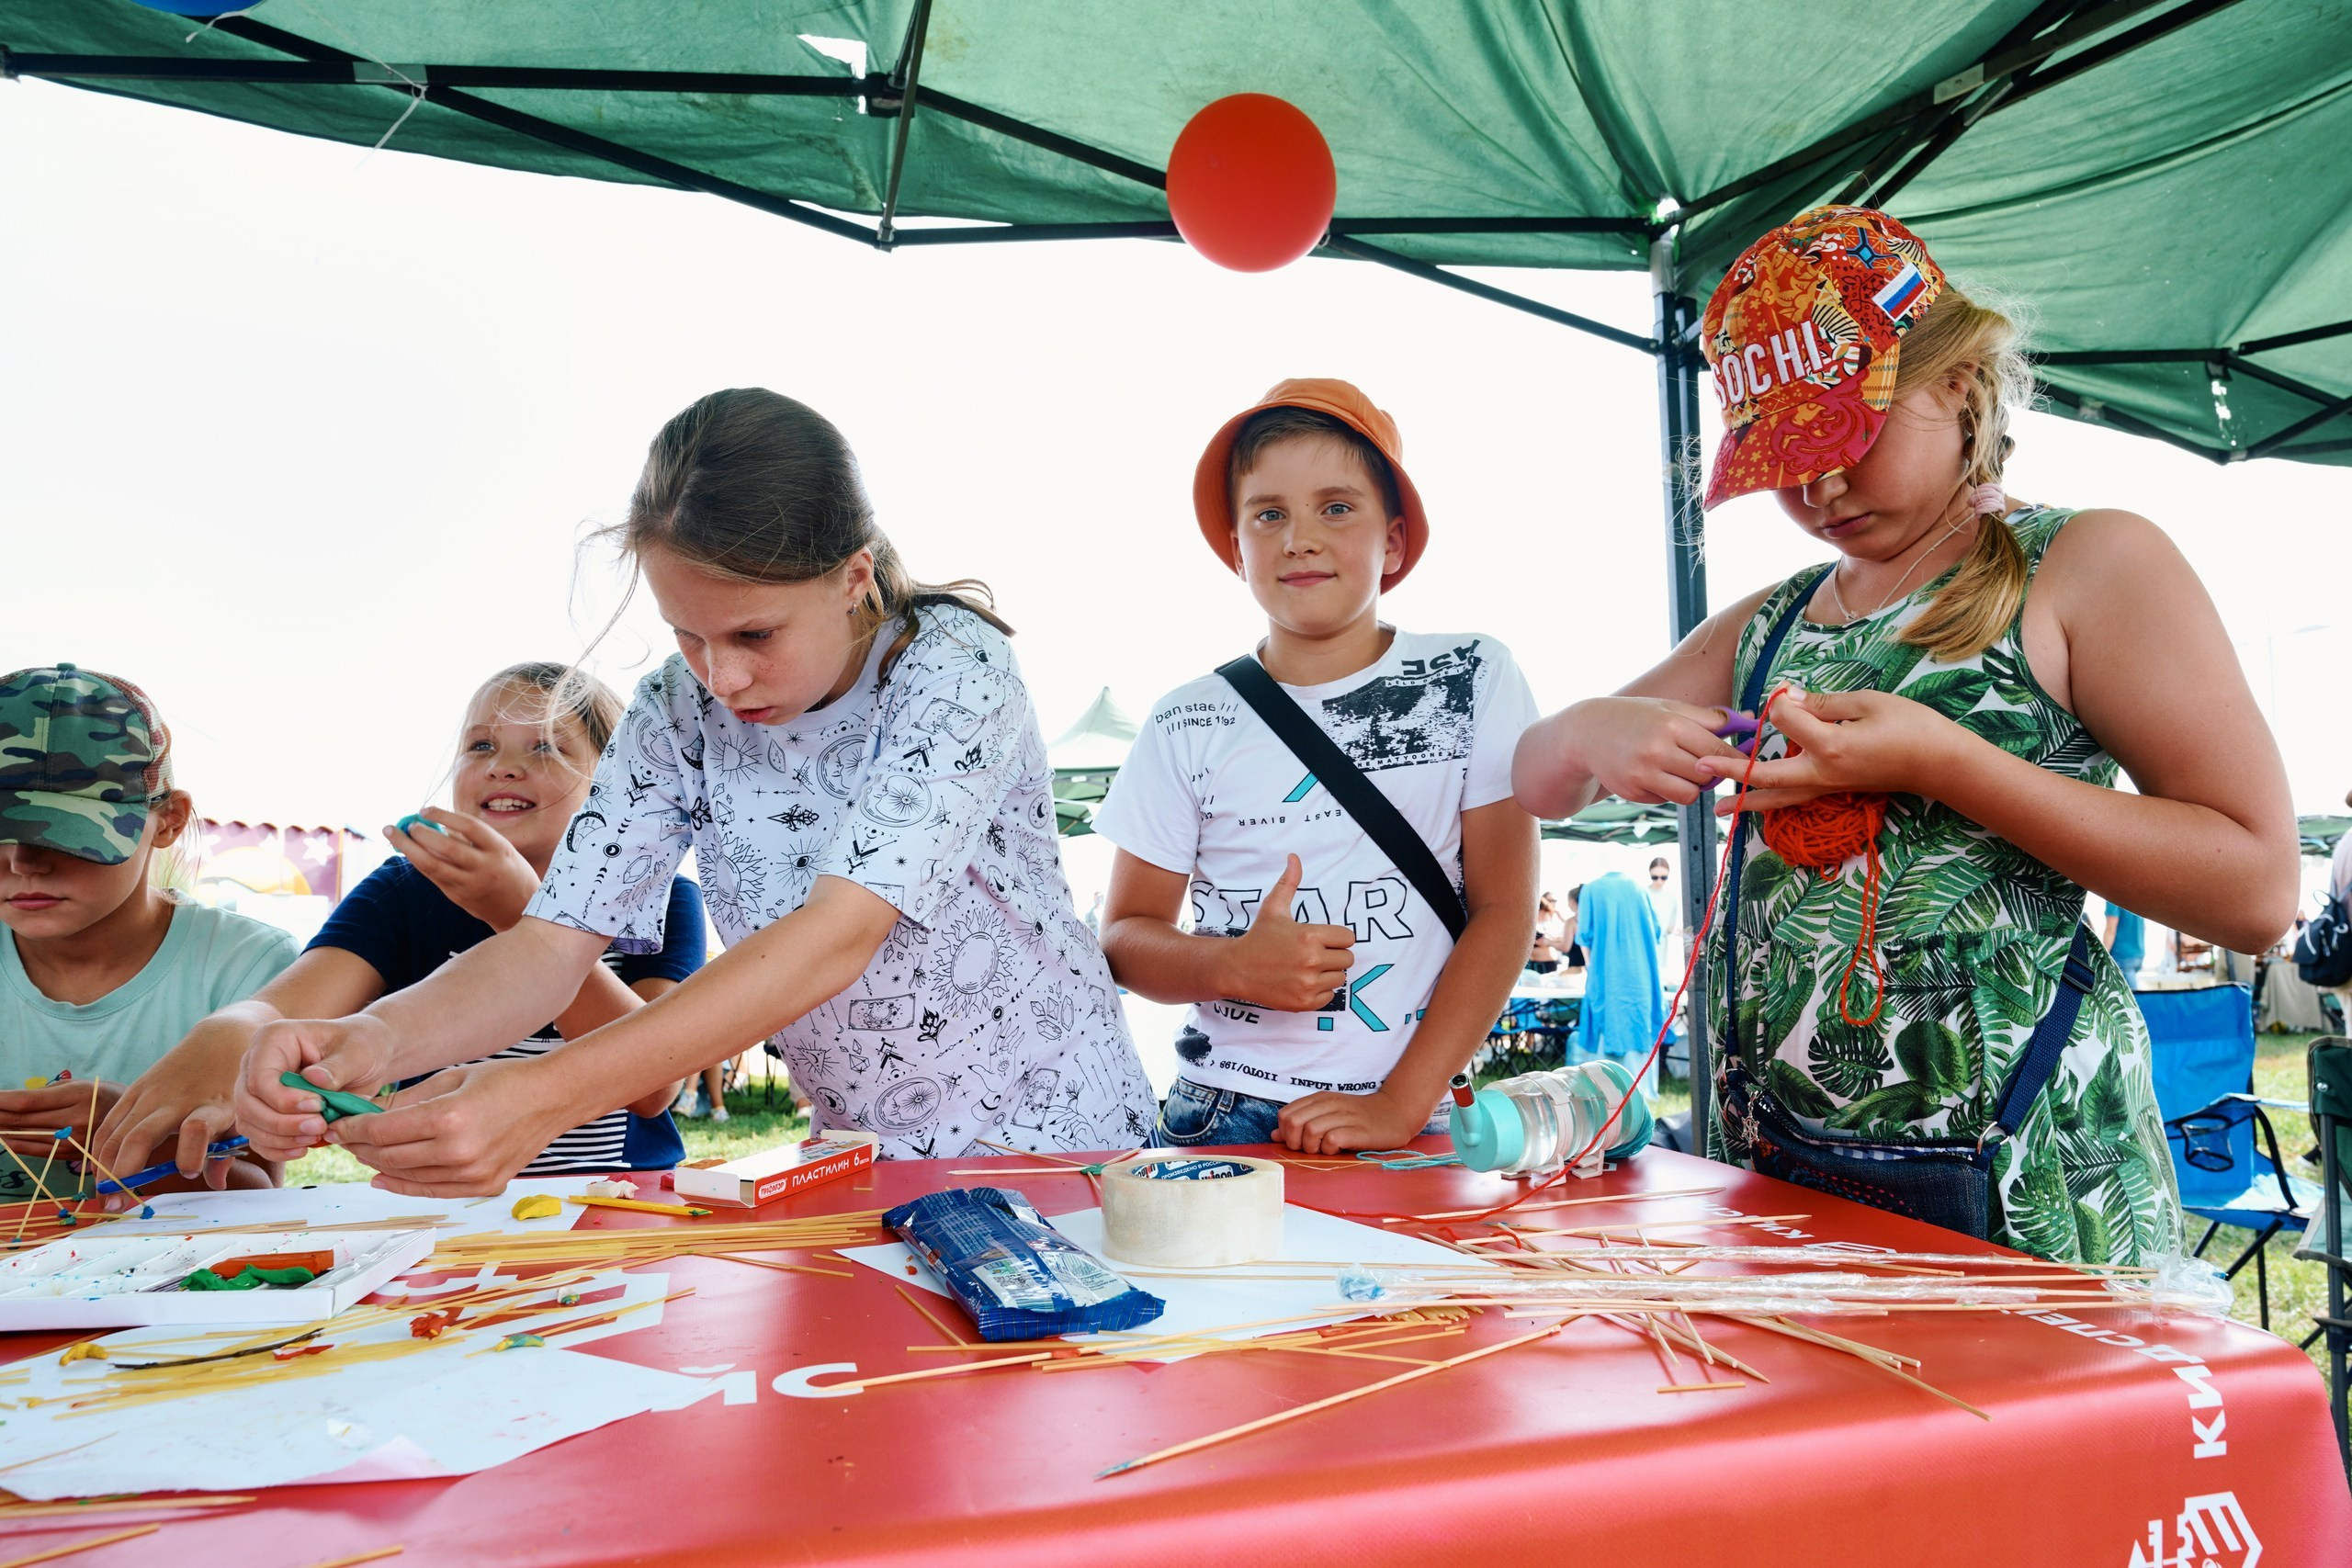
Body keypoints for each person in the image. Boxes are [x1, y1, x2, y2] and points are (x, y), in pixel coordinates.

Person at [1511, 207, 2298, 1266]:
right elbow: (1535, 782)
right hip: (1780, 1170)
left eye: (1846, 442)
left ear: (1960, 387)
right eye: (1784, 461)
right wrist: (1585, 727)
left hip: (2025, 1187)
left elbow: (2254, 892)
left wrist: (1943, 763)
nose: (1821, 490)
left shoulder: (2084, 565)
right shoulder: (1774, 619)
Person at [234, 389, 1156, 1188]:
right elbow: (551, 940)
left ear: (853, 578)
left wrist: (546, 1094)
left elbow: (836, 937)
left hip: (1054, 1142)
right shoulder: (677, 708)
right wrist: (375, 1039)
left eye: (754, 635)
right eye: (688, 634)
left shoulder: (950, 665)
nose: (722, 677)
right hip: (867, 1153)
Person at [1094, 379, 1540, 1154]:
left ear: (1394, 541)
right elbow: (1127, 937)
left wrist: (1401, 1103)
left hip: (1415, 1104)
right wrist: (1231, 963)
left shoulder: (1473, 676)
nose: (1300, 536)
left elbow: (1505, 911)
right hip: (1223, 1108)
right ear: (1238, 549)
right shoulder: (1186, 719)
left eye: (1336, 507)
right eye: (1270, 514)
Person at [99, 664, 706, 1188]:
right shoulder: (403, 891)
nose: (505, 767)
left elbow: (653, 1088)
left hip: (621, 1203)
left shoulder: (662, 897)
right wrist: (226, 1033)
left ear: (612, 779)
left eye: (545, 746)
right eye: (481, 746)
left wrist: (518, 911)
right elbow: (284, 1006)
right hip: (440, 1212)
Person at [0, 665, 292, 1195]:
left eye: (66, 833)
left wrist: (139, 1131)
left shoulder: (250, 970)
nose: (23, 862)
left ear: (169, 821)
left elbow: (257, 1197)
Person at [1568, 870, 1663, 1082]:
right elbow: (1656, 932)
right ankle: (1641, 1089)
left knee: (1605, 1021)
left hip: (1606, 974)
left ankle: (1604, 1087)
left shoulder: (1592, 889)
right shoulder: (1639, 889)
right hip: (1641, 975)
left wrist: (1592, 967)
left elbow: (1584, 936)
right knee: (1637, 1024)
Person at [1528, 892, 1565, 974]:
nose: (1547, 916)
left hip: (1548, 966)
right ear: (1540, 911)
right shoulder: (1531, 929)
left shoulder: (1539, 928)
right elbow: (1545, 941)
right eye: (1546, 912)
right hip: (1541, 967)